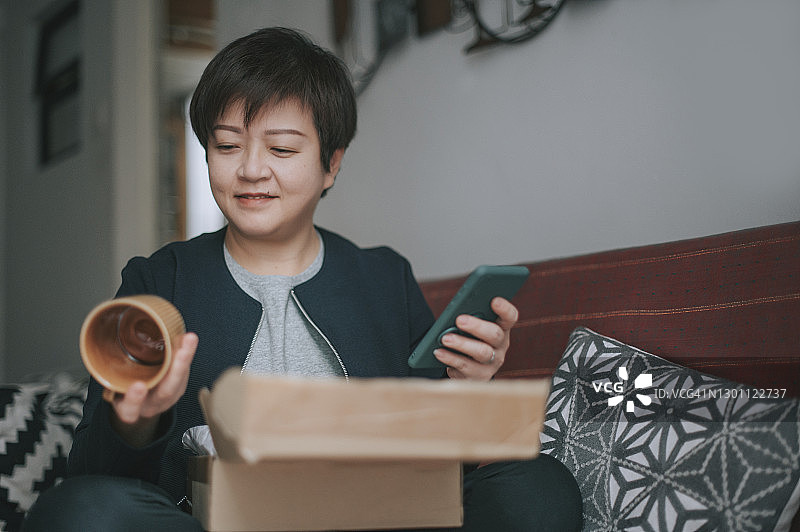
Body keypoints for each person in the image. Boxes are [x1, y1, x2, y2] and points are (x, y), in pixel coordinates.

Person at [23, 27, 582, 531]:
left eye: (282, 148)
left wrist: (465, 388)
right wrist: (137, 423)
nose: (250, 170)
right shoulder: (158, 278)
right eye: (227, 145)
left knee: (538, 487)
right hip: (213, 520)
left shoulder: (384, 277)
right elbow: (92, 475)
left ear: (331, 164)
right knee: (76, 511)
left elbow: (440, 465)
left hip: (375, 518)